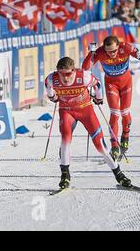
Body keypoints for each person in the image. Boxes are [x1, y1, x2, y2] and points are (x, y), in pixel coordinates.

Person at [45, 57, 132, 189]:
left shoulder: (83, 77)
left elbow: (97, 85)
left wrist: (98, 98)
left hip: (85, 110)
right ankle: (65, 176)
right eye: (61, 73)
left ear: (73, 70)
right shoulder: (52, 78)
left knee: (100, 146)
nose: (65, 77)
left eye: (68, 74)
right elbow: (49, 89)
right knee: (65, 141)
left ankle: (119, 175)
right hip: (67, 111)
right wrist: (53, 97)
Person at [81, 36, 140, 161]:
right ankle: (114, 146)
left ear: (118, 46)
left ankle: (125, 136)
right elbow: (85, 68)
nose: (111, 54)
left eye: (114, 51)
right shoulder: (100, 52)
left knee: (125, 112)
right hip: (111, 84)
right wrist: (90, 53)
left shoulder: (126, 47)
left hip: (126, 82)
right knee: (115, 114)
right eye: (108, 51)